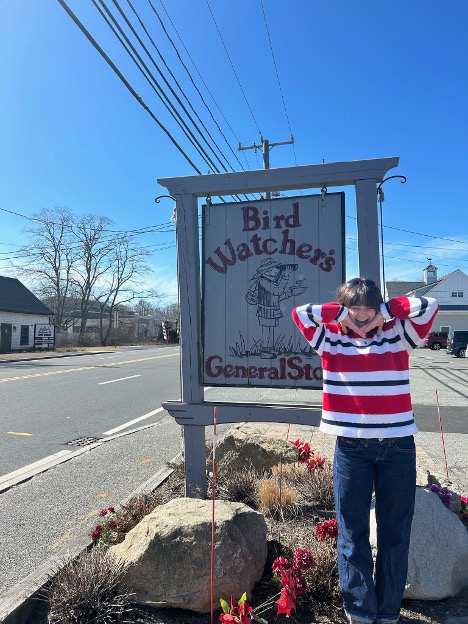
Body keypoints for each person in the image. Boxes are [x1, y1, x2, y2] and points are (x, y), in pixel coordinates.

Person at [291, 277, 439, 624]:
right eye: (353, 307)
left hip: (398, 447)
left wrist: (386, 312)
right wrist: (339, 314)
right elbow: (300, 313)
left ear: (378, 307)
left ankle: (388, 611)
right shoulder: (329, 338)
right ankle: (360, 610)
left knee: (395, 532)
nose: (361, 314)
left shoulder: (399, 334)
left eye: (367, 307)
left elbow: (430, 306)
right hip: (351, 448)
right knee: (352, 532)